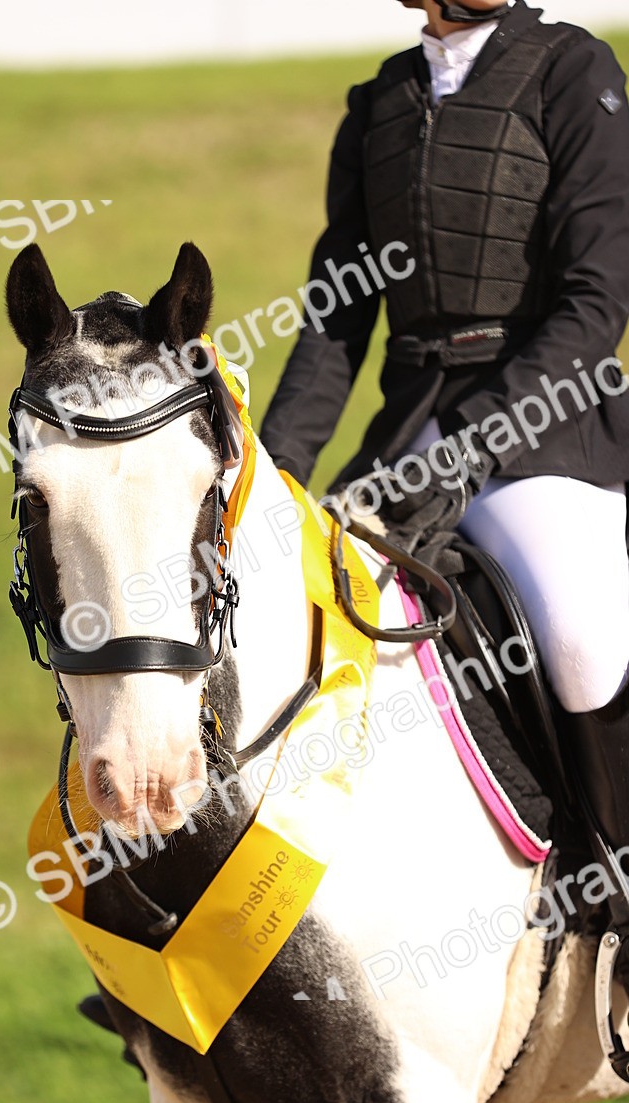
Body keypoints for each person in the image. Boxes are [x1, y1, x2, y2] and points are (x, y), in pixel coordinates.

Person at [260, 1, 629, 957]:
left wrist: (473, 439)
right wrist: (273, 474)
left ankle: (617, 899)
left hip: (547, 429)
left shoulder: (571, 72)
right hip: (404, 435)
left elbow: (596, 308)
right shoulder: (381, 102)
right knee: (262, 618)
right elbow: (338, 319)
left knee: (581, 638)